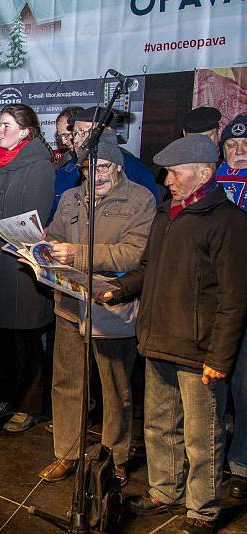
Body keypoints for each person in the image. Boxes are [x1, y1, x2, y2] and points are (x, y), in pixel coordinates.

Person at [98, 135, 247, 533]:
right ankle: (165, 490)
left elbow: (235, 301)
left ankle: (202, 509)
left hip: (199, 350)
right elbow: (147, 268)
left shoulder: (228, 222)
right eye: (167, 172)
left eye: (176, 173)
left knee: (203, 437)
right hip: (158, 339)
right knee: (159, 425)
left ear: (203, 173)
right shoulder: (166, 214)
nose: (167, 180)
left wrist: (219, 359)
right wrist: (119, 289)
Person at [39, 130, 156, 486]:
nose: (98, 175)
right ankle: (67, 452)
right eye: (91, 168)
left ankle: (116, 458)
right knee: (67, 382)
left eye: (105, 167)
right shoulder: (73, 197)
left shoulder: (140, 200)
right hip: (70, 304)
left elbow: (133, 254)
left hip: (112, 308)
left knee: (114, 387)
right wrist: (43, 245)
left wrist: (74, 254)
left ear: (119, 167)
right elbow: (55, 233)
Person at [0, 104, 55, 433]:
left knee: (26, 337)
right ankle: (8, 397)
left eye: (6, 125)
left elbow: (33, 215)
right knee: (3, 337)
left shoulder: (39, 165)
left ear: (25, 131)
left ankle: (31, 406)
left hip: (22, 264)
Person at [51, 107, 160, 221]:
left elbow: (151, 214)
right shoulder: (64, 172)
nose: (75, 139)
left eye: (82, 132)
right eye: (74, 133)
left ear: (106, 132)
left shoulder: (133, 168)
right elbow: (55, 216)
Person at [215, 113, 247, 500]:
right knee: (212, 384)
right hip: (210, 299)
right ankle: (210, 456)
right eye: (232, 146)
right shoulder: (211, 184)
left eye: (245, 146)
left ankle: (241, 462)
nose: (238, 153)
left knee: (243, 382)